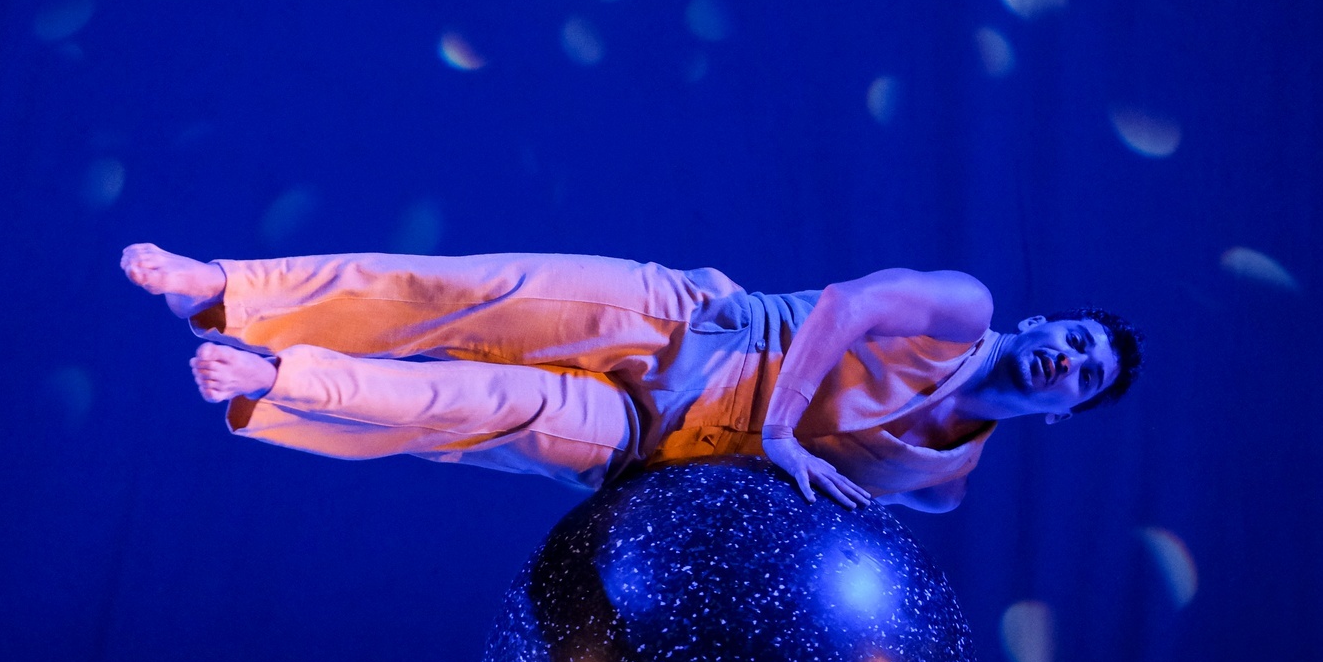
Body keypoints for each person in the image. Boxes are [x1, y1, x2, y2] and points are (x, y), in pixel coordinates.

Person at [120, 244, 1142, 512]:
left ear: (1065, 411)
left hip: (660, 445)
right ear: (1042, 324)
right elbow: (844, 307)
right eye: (1076, 339)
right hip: (695, 331)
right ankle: (231, 289)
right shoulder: (962, 307)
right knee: (470, 294)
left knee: (471, 412)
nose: (1069, 360)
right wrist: (781, 428)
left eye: (1084, 377)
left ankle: (281, 377)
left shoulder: (944, 482)